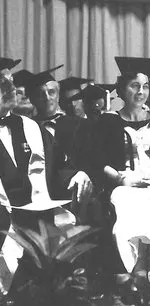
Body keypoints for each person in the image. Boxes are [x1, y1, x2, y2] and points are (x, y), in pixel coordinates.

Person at [0, 59, 88, 292]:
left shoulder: (29, 126)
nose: (9, 88)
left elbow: (57, 165)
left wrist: (75, 175)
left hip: (36, 213)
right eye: (1, 83)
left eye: (10, 81)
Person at [94, 58, 150, 273]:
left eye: (145, 87)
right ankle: (138, 272)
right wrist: (121, 178)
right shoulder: (108, 121)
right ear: (122, 90)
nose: (140, 91)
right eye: (134, 86)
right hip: (123, 185)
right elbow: (97, 161)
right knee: (130, 205)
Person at [25, 67, 94, 204]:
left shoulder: (81, 125)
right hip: (40, 195)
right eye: (40, 94)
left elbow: (92, 161)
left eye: (51, 92)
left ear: (58, 95)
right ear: (33, 99)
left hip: (75, 192)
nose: (47, 98)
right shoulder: (27, 128)